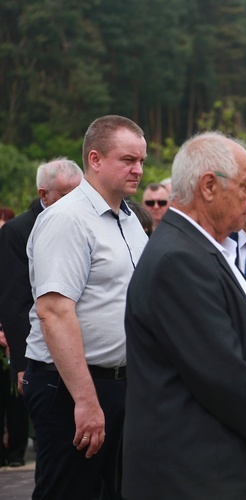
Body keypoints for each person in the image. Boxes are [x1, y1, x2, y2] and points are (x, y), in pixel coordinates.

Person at [122, 132, 246, 498]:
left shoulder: (205, 248)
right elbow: (223, 372)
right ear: (208, 186)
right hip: (198, 475)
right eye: (245, 185)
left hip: (220, 468)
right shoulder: (179, 259)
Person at [24, 115, 148, 499]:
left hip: (119, 383)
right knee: (68, 491)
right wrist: (86, 400)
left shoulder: (130, 220)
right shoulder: (67, 220)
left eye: (142, 161)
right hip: (71, 386)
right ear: (95, 159)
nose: (138, 170)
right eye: (128, 159)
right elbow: (55, 312)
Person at [0, 159, 83, 469]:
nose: (74, 202)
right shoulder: (18, 231)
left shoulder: (82, 222)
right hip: (40, 356)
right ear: (43, 194)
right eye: (65, 195)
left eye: (79, 193)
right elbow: (16, 303)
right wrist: (21, 364)